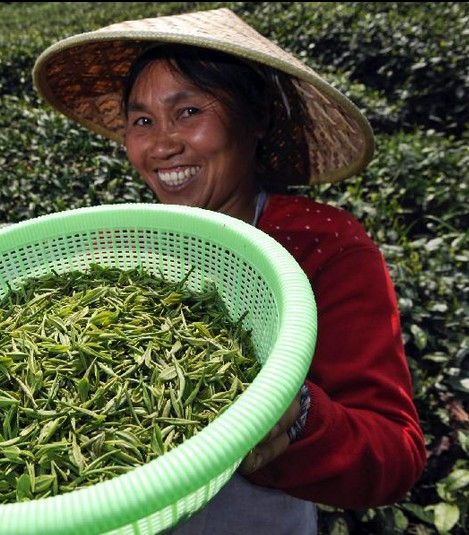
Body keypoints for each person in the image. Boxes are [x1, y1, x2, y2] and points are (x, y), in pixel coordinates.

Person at [33, 8, 426, 534]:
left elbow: (394, 453)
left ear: (256, 118)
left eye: (189, 111)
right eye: (142, 121)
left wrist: (296, 416)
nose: (162, 144)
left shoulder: (322, 246)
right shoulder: (124, 246)